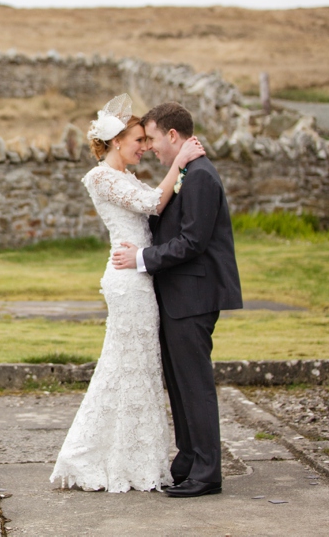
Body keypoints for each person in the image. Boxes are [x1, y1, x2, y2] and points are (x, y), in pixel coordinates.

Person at [50, 94, 205, 493]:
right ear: (116, 142)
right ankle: (108, 458)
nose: (145, 147)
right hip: (128, 282)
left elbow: (158, 202)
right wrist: (179, 162)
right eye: (139, 140)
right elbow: (155, 204)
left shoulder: (127, 177)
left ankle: (134, 455)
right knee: (128, 367)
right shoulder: (101, 176)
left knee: (136, 368)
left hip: (140, 275)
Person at [112, 102, 243, 498]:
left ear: (172, 135)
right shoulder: (186, 171)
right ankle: (188, 461)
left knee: (195, 385)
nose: (148, 146)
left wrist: (140, 259)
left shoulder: (200, 175)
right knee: (180, 383)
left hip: (195, 294)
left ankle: (207, 472)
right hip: (177, 295)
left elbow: (193, 242)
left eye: (151, 138)